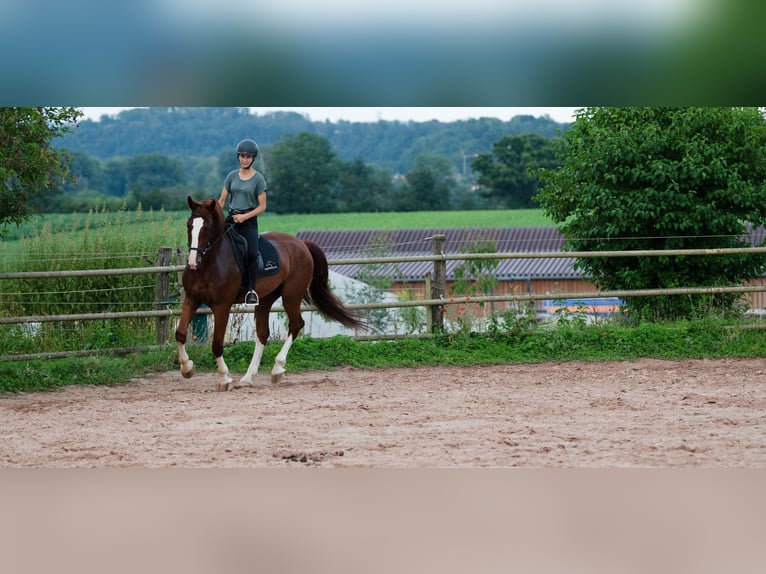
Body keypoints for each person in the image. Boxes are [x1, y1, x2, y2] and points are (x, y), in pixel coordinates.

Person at [218, 139, 268, 305]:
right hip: (231, 219)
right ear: (238, 156)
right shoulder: (231, 176)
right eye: (242, 156)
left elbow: (262, 207)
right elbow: (222, 201)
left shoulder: (258, 179)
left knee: (252, 254)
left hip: (248, 223)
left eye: (248, 157)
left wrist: (245, 217)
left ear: (253, 158)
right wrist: (212, 215)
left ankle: (251, 290)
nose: (244, 159)